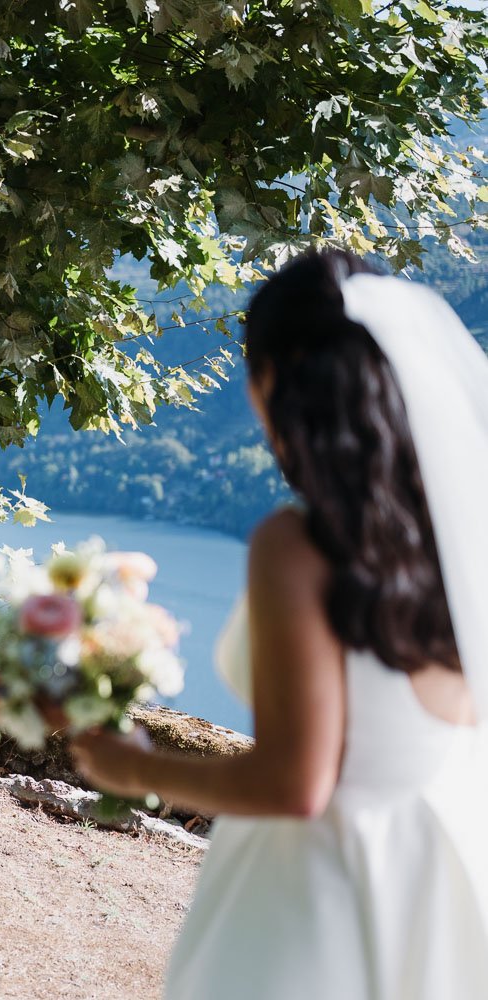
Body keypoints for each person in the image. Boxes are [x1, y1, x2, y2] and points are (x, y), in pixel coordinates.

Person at [70, 249, 488, 998]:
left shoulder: (297, 546)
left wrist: (128, 768)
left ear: (283, 379)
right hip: (436, 882)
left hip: (315, 894)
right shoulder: (463, 537)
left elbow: (297, 783)